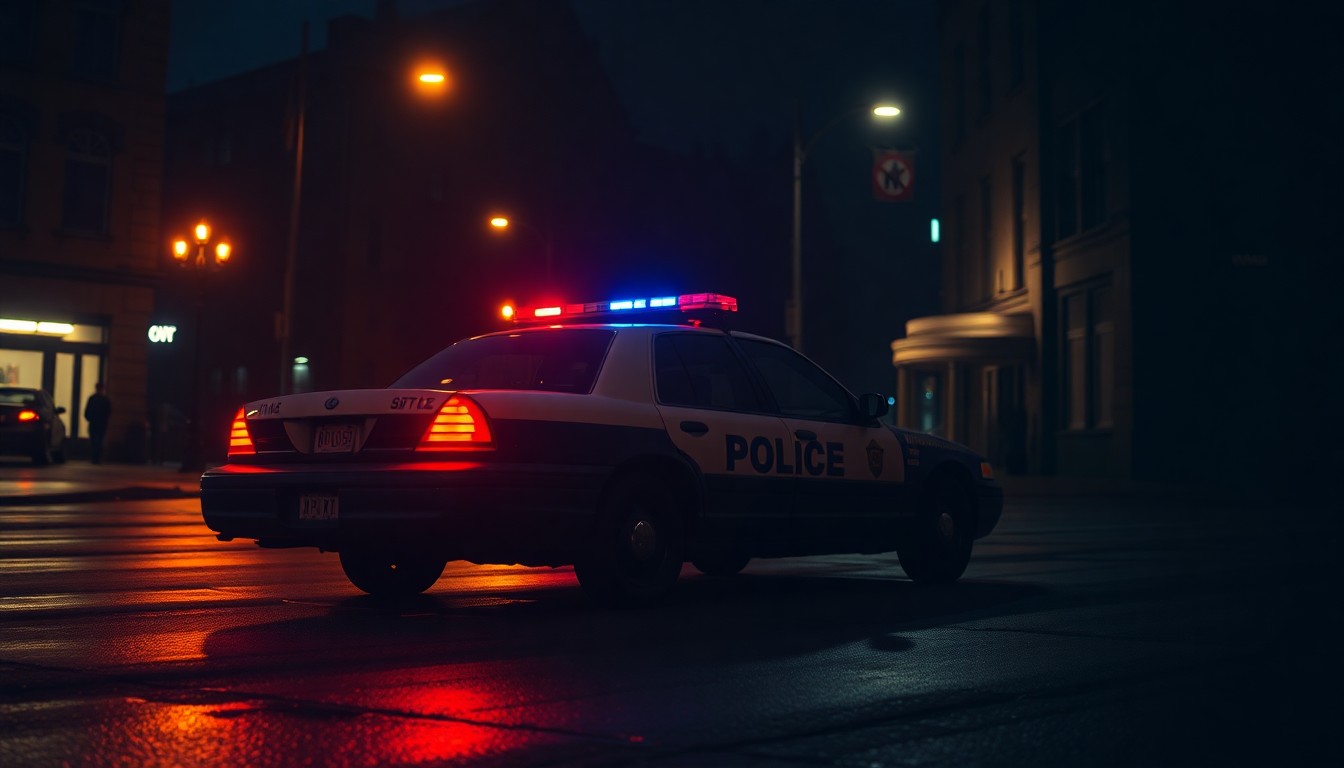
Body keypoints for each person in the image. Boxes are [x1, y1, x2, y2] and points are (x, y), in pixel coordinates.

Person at [84, 382, 111, 464]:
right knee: (99, 441)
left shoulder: (92, 399)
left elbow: (87, 412)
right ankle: (97, 458)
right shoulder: (105, 400)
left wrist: (90, 419)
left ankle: (94, 458)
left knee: (93, 440)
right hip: (101, 424)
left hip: (93, 423)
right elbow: (108, 412)